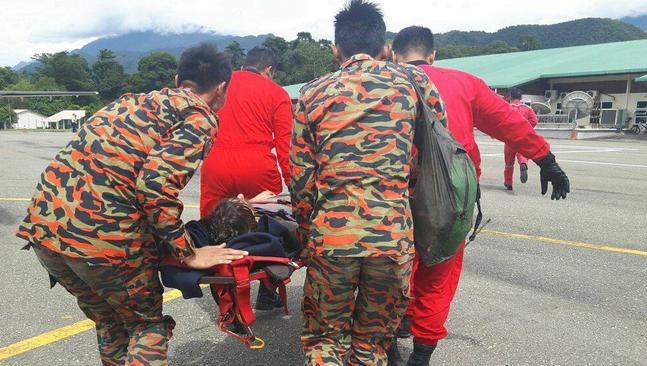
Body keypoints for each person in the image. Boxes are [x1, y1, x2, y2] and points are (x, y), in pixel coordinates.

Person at [15, 43, 249, 366]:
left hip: (45, 232)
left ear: (178, 78)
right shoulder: (199, 116)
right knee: (146, 325)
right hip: (102, 241)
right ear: (222, 89)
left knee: (111, 320)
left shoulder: (130, 103)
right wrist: (189, 252)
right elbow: (155, 187)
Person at [390, 26, 570, 365]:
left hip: (391, 194)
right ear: (432, 55)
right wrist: (546, 159)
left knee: (392, 268)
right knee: (439, 272)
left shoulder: (380, 81)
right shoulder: (464, 82)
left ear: (394, 54)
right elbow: (508, 123)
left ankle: (398, 324)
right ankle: (422, 353)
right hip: (450, 198)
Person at [290, 2, 447, 365]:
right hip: (392, 238)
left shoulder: (312, 92)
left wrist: (305, 233)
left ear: (335, 50)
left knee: (325, 341)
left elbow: (300, 177)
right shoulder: (416, 82)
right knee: (371, 344)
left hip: (332, 237)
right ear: (387, 48)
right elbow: (437, 155)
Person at [200, 46, 293, 218]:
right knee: (268, 225)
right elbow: (285, 148)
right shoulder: (278, 93)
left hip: (216, 165)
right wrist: (293, 188)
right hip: (257, 169)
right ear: (269, 70)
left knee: (210, 225)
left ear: (244, 65)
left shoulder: (220, 85)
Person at [504, 87, 539, 190]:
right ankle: (523, 163)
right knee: (522, 154)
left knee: (509, 162)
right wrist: (526, 127)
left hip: (510, 136)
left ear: (510, 96)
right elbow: (534, 120)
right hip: (522, 135)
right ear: (521, 97)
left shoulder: (507, 107)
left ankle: (508, 182)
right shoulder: (527, 108)